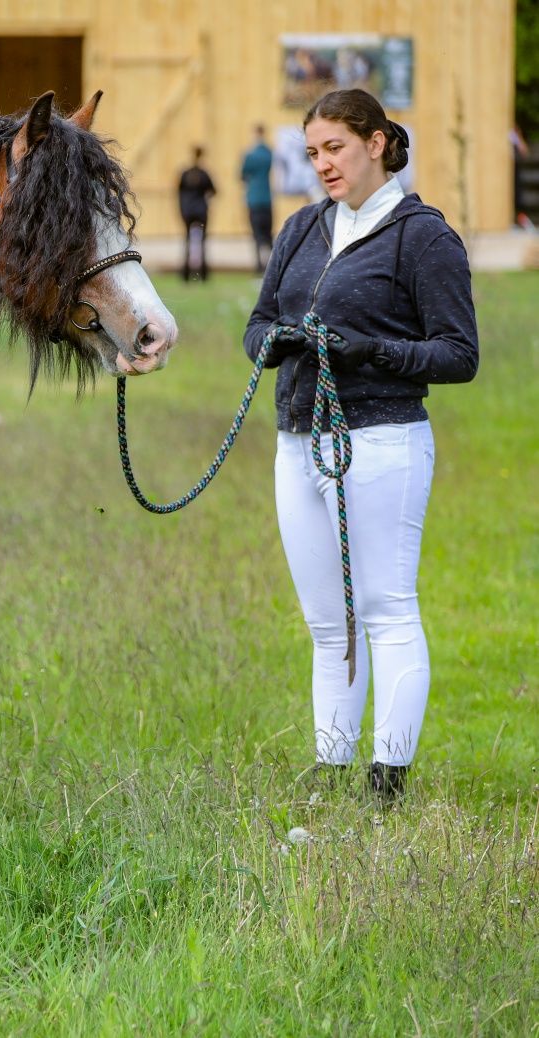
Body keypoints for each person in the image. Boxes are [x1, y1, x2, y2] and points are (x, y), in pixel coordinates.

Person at [243, 88, 479, 805]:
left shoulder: (423, 237)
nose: (321, 165)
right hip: (296, 443)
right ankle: (331, 769)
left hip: (381, 442)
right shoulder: (300, 228)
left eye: (333, 148)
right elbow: (255, 324)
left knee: (384, 607)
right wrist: (274, 344)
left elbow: (457, 354)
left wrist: (370, 351)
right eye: (312, 152)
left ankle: (386, 783)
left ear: (377, 142)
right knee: (325, 622)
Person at [177, 146, 216, 281]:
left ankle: (186, 275)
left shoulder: (185, 173)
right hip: (201, 210)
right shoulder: (204, 174)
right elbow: (213, 191)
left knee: (187, 241)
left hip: (188, 210)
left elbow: (179, 192)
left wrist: (183, 208)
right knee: (202, 242)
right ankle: (203, 274)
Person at [240, 124, 274, 272]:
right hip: (267, 197)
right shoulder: (269, 153)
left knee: (257, 235)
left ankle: (259, 266)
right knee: (268, 234)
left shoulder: (250, 155)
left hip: (254, 198)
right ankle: (271, 266)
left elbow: (242, 175)